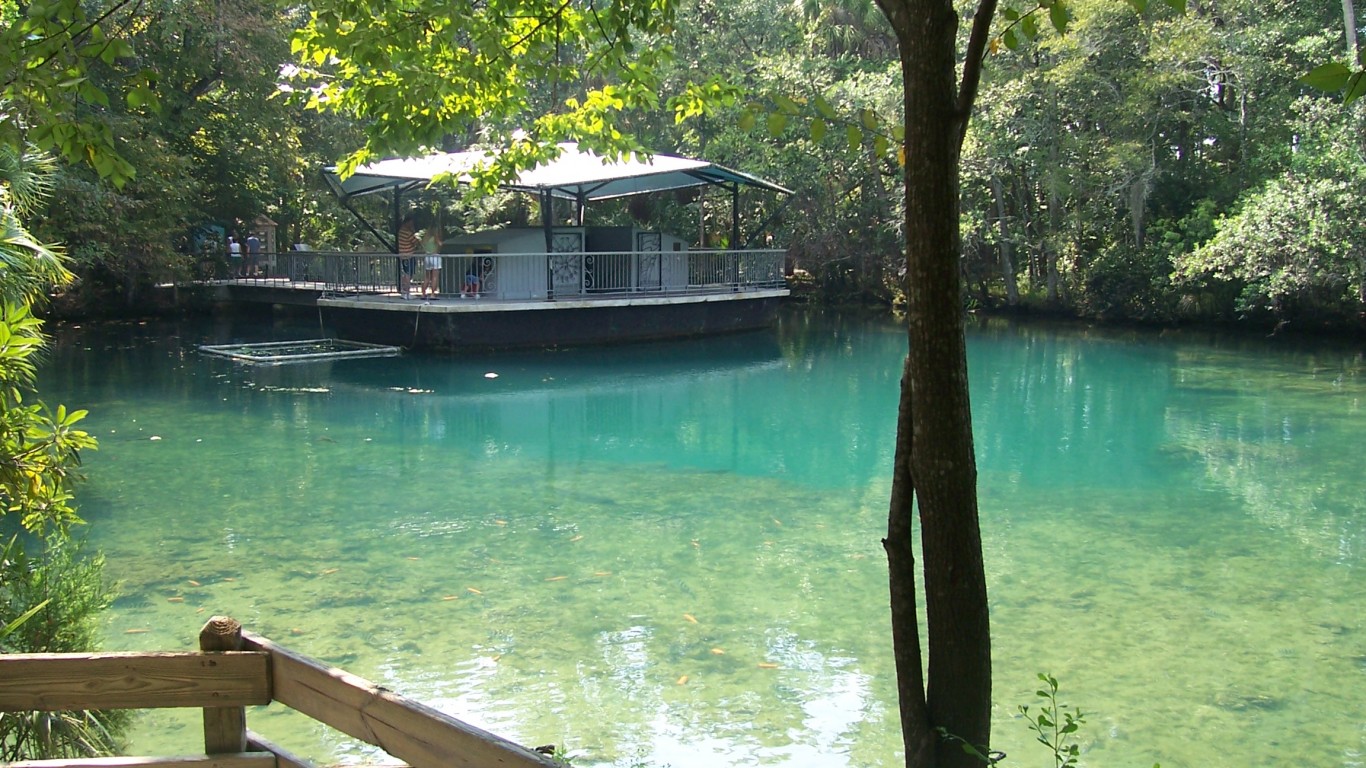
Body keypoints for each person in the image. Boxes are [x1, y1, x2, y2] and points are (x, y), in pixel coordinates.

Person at [396, 215, 417, 299]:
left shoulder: (401, 231)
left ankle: (404, 291)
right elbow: (415, 241)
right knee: (408, 273)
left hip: (403, 255)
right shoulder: (407, 232)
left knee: (406, 273)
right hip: (408, 255)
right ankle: (406, 292)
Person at [421, 227, 442, 299]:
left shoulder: (425, 238)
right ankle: (432, 294)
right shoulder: (435, 237)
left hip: (427, 256)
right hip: (435, 256)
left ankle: (423, 293)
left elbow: (422, 246)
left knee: (427, 277)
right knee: (434, 276)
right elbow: (440, 244)